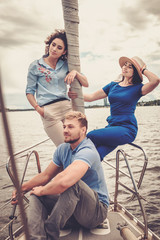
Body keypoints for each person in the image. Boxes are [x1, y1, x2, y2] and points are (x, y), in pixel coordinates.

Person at [12, 111, 109, 240]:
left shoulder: (88, 151)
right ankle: (36, 237)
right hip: (72, 212)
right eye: (64, 126)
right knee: (35, 194)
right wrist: (23, 188)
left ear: (83, 130)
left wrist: (43, 190)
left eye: (70, 127)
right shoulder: (63, 149)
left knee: (72, 182)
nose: (65, 130)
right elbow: (46, 175)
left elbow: (65, 182)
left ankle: (51, 232)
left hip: (95, 212)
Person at [69, 56, 159, 160]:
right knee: (96, 156)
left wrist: (143, 70)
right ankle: (82, 172)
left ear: (135, 72)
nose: (125, 67)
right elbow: (91, 97)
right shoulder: (113, 85)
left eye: (130, 67)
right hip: (112, 127)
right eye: (125, 65)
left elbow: (155, 80)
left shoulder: (138, 88)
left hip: (127, 129)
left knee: (91, 135)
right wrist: (76, 95)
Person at [26, 29, 88, 146]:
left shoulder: (66, 65)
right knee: (64, 147)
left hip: (67, 108)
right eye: (53, 45)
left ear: (64, 52)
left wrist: (75, 72)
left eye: (59, 48)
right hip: (49, 111)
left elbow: (85, 83)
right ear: (49, 45)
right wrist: (39, 109)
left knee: (77, 145)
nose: (54, 49)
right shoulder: (35, 66)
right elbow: (29, 92)